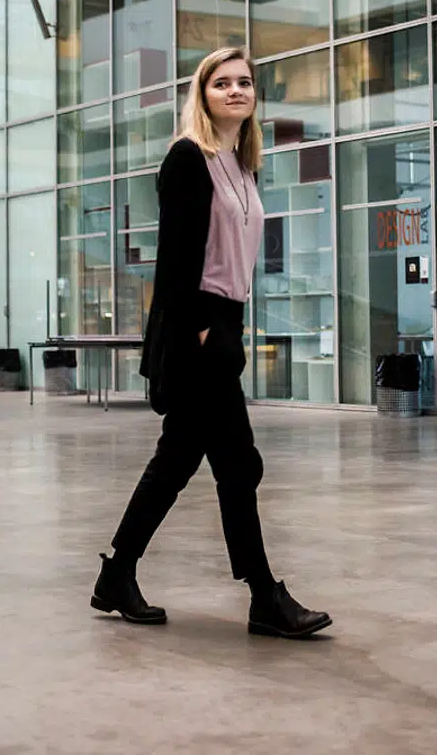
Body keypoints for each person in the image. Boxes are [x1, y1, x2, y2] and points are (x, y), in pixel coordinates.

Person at [91, 45, 332, 640]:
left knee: (182, 461)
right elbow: (174, 259)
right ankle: (263, 596)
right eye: (221, 83)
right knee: (237, 462)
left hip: (227, 320)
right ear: (202, 95)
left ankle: (118, 575)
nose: (235, 91)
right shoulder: (186, 158)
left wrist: (227, 326)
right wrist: (202, 327)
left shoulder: (243, 164)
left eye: (244, 83)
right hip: (198, 326)